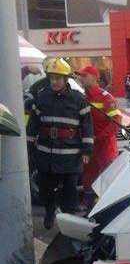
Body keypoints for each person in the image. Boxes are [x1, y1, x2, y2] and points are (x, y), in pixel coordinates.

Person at [26, 58, 94, 229]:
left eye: (58, 78)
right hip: (46, 154)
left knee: (69, 192)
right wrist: (29, 146)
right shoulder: (41, 96)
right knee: (45, 189)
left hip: (70, 155)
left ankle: (68, 222)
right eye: (52, 78)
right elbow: (33, 123)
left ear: (65, 79)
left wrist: (87, 150)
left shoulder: (78, 99)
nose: (54, 81)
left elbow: (87, 125)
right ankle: (50, 212)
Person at [77, 66, 121, 208]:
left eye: (84, 75)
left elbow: (116, 121)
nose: (81, 78)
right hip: (89, 146)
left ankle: (108, 207)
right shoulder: (81, 97)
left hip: (105, 147)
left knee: (106, 177)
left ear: (95, 78)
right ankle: (89, 206)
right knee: (88, 177)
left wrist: (98, 137)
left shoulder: (105, 97)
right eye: (80, 76)